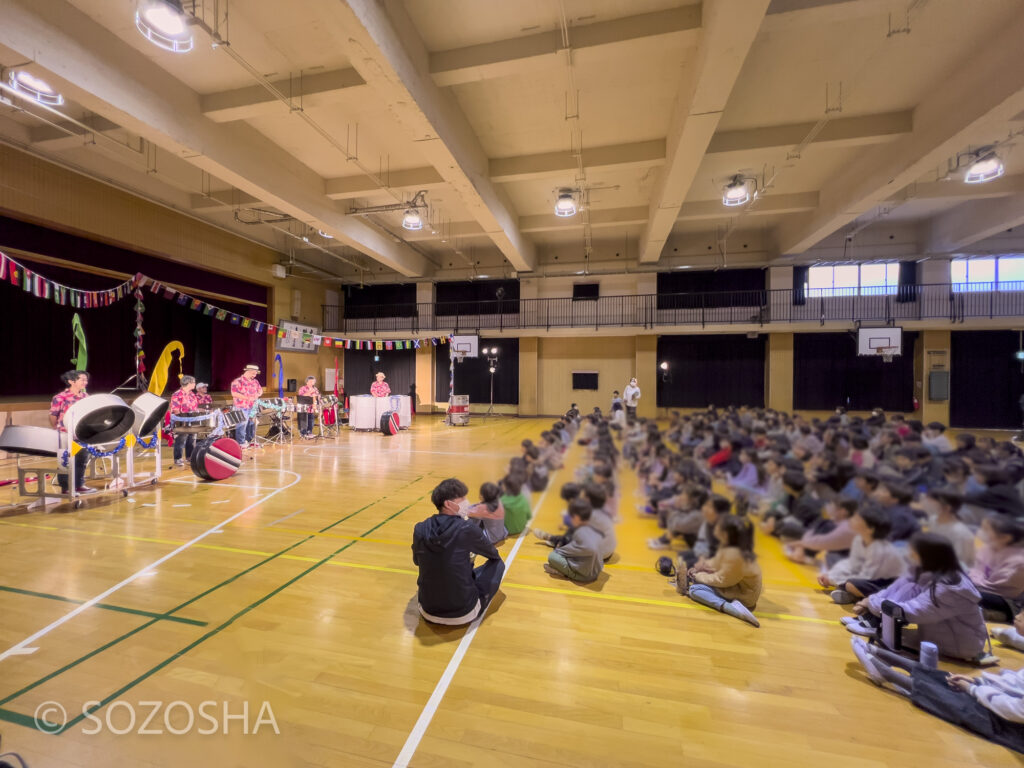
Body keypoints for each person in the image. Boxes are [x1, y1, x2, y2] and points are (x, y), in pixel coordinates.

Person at [850, 638, 1024, 753]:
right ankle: (887, 659)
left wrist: (973, 690)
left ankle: (889, 675)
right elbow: (1016, 682)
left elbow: (1016, 710)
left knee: (967, 705)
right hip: (1011, 708)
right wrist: (978, 682)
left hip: (1015, 731)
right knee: (952, 680)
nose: (1018, 616)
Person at [845, 533, 988, 661]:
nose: (909, 555)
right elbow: (896, 588)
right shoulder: (927, 570)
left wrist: (871, 602)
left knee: (884, 645)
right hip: (935, 633)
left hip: (960, 644)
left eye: (913, 553)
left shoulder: (950, 588)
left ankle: (875, 623)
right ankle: (874, 619)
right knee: (907, 587)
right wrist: (870, 600)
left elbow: (914, 611)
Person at [412, 478, 505, 625]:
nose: (466, 501)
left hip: (426, 609)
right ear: (448, 504)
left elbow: (417, 561)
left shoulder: (420, 528)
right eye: (462, 498)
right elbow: (493, 554)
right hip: (463, 612)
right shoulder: (466, 528)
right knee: (498, 564)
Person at [685, 514, 762, 628]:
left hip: (743, 596)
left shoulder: (736, 555)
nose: (715, 527)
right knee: (699, 580)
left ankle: (729, 607)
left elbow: (721, 580)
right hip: (735, 586)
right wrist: (701, 567)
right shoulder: (731, 546)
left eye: (718, 526)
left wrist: (698, 576)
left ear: (725, 534)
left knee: (694, 590)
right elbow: (717, 562)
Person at [818, 505, 905, 603]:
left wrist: (833, 580)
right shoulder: (859, 539)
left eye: (856, 519)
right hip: (870, 577)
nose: (851, 519)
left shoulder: (879, 549)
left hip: (891, 584)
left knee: (851, 584)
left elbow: (867, 577)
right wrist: (830, 575)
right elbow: (852, 565)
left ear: (870, 529)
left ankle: (859, 596)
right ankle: (854, 595)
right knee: (832, 558)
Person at [968, 513, 1024, 623]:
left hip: (1005, 600)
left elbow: (997, 587)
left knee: (962, 593)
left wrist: (971, 581)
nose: (981, 532)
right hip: (980, 587)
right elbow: (976, 570)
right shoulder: (988, 548)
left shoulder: (1019, 562)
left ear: (1005, 537)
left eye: (986, 529)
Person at [49, 369, 95, 495]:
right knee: (65, 461)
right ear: (71, 381)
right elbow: (53, 416)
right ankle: (66, 487)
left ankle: (79, 485)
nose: (85, 382)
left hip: (81, 433)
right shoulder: (60, 398)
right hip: (64, 434)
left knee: (82, 459)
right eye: (82, 379)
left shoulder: (86, 397)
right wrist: (58, 428)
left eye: (86, 379)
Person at [544, 498, 604, 583]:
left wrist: (559, 551)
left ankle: (565, 573)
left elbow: (570, 550)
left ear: (576, 517)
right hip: (597, 570)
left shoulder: (580, 532)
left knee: (552, 557)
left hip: (585, 576)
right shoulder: (595, 525)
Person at [920, 487, 975, 567]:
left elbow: (960, 562)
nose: (926, 503)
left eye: (931, 501)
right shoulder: (933, 520)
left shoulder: (960, 533)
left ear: (947, 507)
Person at [230, 364, 263, 447]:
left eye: (255, 374)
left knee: (252, 425)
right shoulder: (237, 381)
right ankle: (241, 443)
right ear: (248, 372)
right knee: (241, 425)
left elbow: (260, 390)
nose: (255, 375)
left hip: (252, 407)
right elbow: (234, 393)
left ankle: (250, 440)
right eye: (253, 373)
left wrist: (257, 395)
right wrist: (247, 398)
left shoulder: (255, 381)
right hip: (241, 407)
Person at [169, 375, 198, 467]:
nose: (195, 384)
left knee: (192, 438)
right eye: (194, 382)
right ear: (189, 383)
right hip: (181, 418)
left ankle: (190, 457)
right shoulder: (177, 394)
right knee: (181, 439)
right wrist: (182, 419)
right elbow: (175, 409)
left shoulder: (192, 394)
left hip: (192, 417)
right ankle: (178, 458)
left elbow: (194, 407)